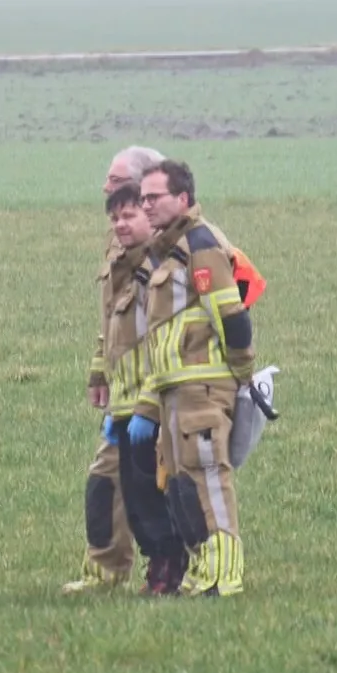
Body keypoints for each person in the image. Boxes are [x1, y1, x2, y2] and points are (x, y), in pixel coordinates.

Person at [131, 160, 254, 597]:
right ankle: (202, 569)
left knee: (208, 478)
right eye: (141, 198)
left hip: (203, 387)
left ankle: (224, 577)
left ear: (182, 199)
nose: (145, 205)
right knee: (183, 487)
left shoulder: (200, 245)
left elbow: (232, 317)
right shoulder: (164, 251)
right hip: (174, 390)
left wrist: (240, 375)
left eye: (154, 197)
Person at [65, 145, 166, 593]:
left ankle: (173, 573)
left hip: (160, 397)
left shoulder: (168, 256)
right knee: (105, 483)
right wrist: (98, 373)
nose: (105, 187)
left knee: (162, 492)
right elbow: (110, 321)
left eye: (116, 181)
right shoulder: (117, 244)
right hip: (124, 395)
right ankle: (105, 573)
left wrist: (151, 401)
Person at [94, 182, 185, 594]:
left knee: (154, 494)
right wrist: (113, 401)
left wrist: (148, 405)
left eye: (129, 216)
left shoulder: (157, 273)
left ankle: (173, 566)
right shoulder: (119, 268)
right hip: (126, 403)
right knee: (133, 497)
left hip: (154, 405)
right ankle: (157, 565)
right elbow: (115, 340)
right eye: (115, 218)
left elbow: (162, 344)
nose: (120, 225)